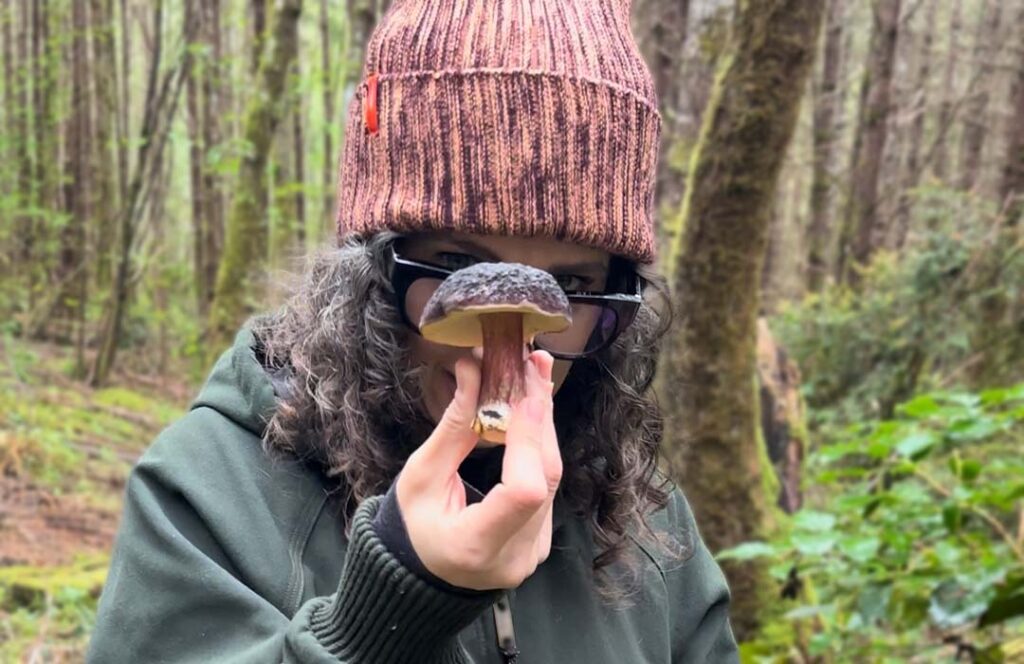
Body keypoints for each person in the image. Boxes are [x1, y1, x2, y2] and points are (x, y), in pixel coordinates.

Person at [87, 0, 740, 661]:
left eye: (569, 287)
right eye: (456, 265)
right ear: (363, 273)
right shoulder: (207, 492)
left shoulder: (639, 513)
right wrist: (392, 610)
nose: (500, 343)